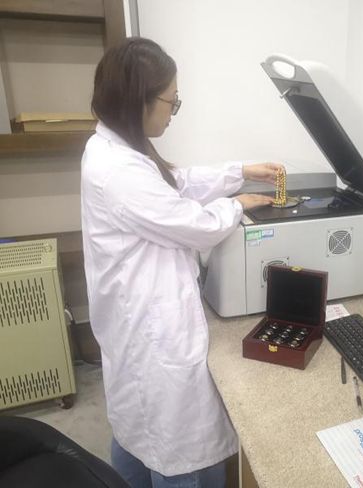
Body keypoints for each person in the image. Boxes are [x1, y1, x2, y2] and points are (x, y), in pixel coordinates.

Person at [81, 37, 281, 488]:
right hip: (153, 338)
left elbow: (177, 182)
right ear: (140, 101)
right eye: (171, 101)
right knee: (180, 453)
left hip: (134, 331)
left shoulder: (114, 147)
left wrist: (240, 171)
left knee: (137, 438)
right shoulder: (118, 172)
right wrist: (237, 204)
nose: (174, 111)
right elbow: (194, 225)